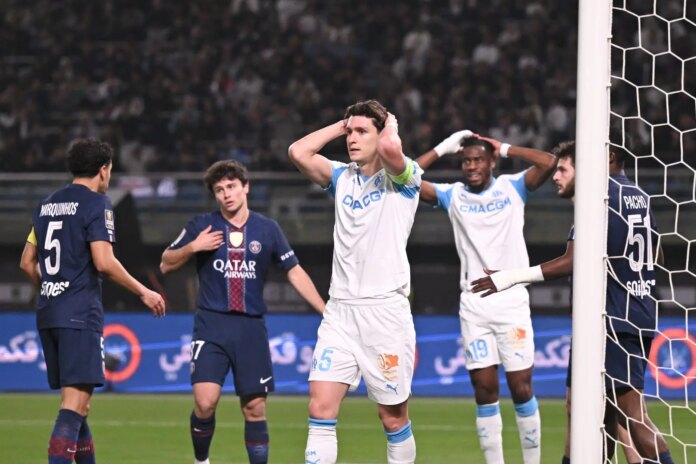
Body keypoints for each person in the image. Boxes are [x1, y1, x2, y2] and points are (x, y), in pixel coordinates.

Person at [471, 140, 674, 463]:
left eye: (563, 169)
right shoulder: (639, 195)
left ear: (605, 157)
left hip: (612, 319)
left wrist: (508, 277)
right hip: (633, 311)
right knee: (595, 414)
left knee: (631, 416)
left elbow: (571, 260)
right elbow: (657, 254)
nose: (555, 176)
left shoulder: (600, 198)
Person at [159, 159, 325, 464]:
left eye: (232, 186)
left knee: (255, 409)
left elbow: (294, 271)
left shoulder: (267, 229)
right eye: (219, 190)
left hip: (250, 328)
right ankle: (201, 460)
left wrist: (325, 310)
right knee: (205, 403)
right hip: (211, 325)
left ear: (245, 187)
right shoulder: (202, 226)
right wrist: (193, 247)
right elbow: (166, 263)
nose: (226, 194)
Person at [288, 100, 421, 464]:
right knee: (320, 408)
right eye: (350, 133)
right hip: (340, 312)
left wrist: (390, 126)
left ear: (382, 134)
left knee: (392, 418)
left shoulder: (405, 178)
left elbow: (391, 150)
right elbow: (298, 152)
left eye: (362, 132)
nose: (352, 139)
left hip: (385, 313)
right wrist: (342, 123)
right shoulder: (341, 177)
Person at [19, 138, 166, 464]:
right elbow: (104, 261)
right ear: (103, 170)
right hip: (79, 315)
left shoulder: (45, 205)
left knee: (79, 406)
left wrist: (51, 290)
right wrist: (144, 291)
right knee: (74, 407)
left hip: (49, 313)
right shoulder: (97, 204)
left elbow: (27, 263)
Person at [416, 131, 557, 464]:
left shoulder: (512, 187)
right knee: (484, 390)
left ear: (491, 161)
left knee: (521, 388)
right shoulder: (453, 195)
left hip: (511, 301)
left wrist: (504, 147)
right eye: (466, 161)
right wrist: (441, 148)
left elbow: (549, 162)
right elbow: (404, 178)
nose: (472, 166)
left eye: (478, 159)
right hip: (475, 306)